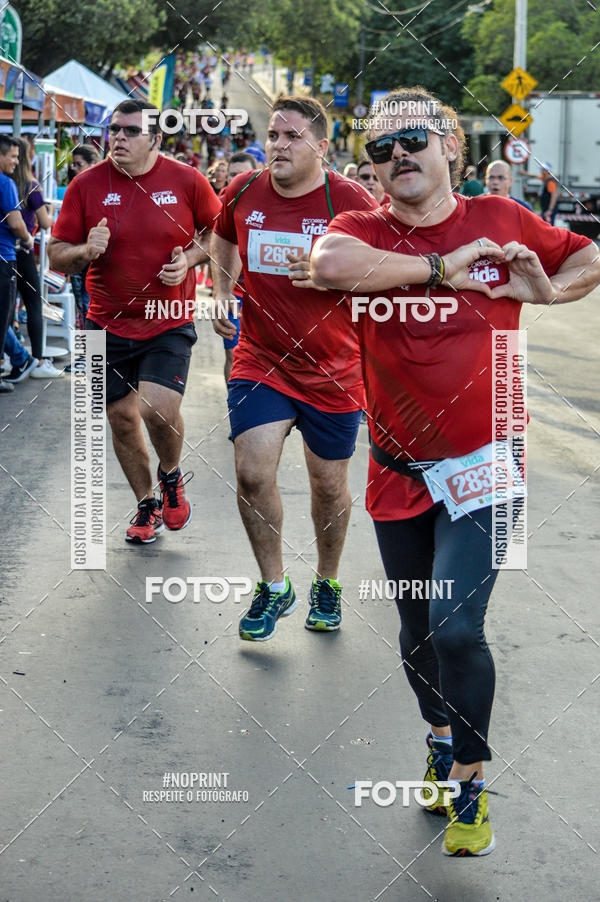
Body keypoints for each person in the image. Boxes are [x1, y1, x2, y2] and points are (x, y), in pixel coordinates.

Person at [311, 85, 600, 857]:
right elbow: (327, 264)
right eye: (381, 147)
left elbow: (587, 257)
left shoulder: (502, 219)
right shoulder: (358, 228)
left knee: (454, 624)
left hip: (486, 463)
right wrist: (442, 269)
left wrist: (549, 289)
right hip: (398, 468)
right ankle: (440, 740)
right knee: (414, 637)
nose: (398, 156)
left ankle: (471, 783)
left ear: (451, 148)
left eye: (414, 139)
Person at [211, 95, 377, 641]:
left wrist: (335, 276)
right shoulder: (243, 190)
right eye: (273, 135)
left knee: (328, 487)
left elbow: (385, 271)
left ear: (321, 146)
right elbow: (223, 236)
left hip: (335, 366)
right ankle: (273, 585)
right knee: (252, 471)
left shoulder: (350, 199)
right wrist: (221, 293)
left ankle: (326, 582)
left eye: (291, 137)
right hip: (261, 358)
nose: (277, 145)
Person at [48, 99, 220, 543]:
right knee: (121, 420)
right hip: (102, 322)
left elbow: (217, 234)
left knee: (157, 410)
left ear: (155, 139)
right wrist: (85, 252)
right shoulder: (86, 185)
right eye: (114, 130)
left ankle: (170, 474)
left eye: (129, 131)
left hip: (168, 318)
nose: (118, 138)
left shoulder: (186, 179)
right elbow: (55, 254)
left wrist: (190, 261)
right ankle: (147, 505)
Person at [6, 137, 62, 381]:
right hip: (24, 251)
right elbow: (46, 223)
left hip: (6, 251)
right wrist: (48, 211)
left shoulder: (7, 184)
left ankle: (9, 356)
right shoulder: (31, 186)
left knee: (8, 308)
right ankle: (38, 359)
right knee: (33, 304)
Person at [0, 136, 34, 394]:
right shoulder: (6, 183)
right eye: (12, 156)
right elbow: (16, 222)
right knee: (2, 319)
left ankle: (20, 359)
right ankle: (18, 361)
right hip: (4, 259)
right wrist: (28, 238)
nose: (16, 162)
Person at [220, 152, 258, 383]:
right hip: (232, 295)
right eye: (232, 176)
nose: (238, 181)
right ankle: (235, 407)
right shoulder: (221, 202)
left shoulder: (273, 202)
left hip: (265, 297)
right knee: (233, 354)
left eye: (243, 175)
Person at [68, 145, 101, 332]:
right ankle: (82, 357)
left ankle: (93, 358)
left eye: (79, 164)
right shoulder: (75, 189)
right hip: (76, 258)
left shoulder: (102, 191)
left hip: (95, 263)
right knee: (80, 309)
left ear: (93, 165)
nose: (74, 168)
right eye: (73, 164)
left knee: (91, 310)